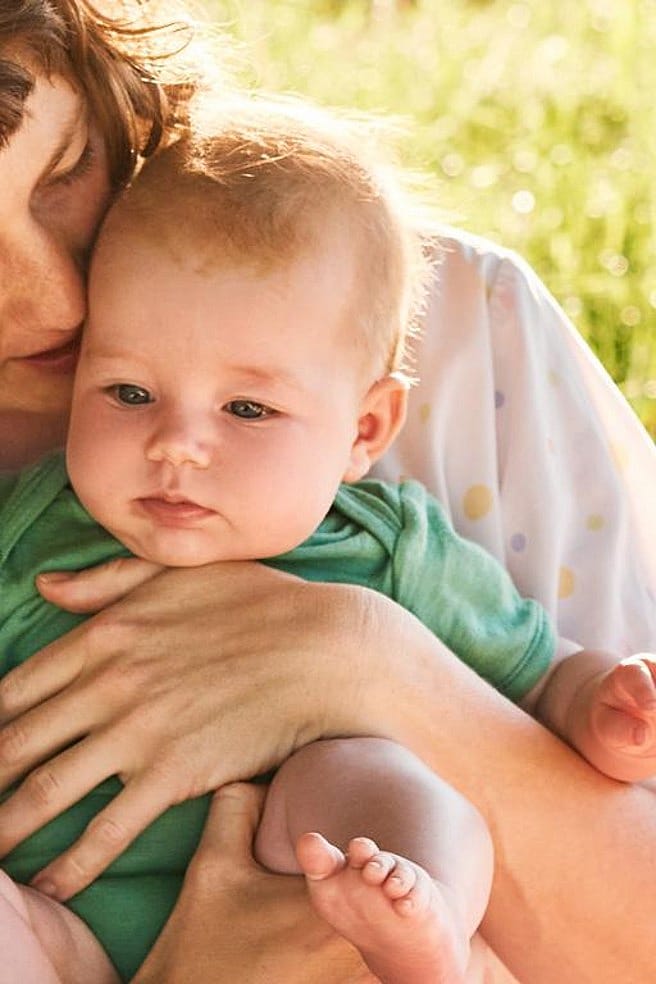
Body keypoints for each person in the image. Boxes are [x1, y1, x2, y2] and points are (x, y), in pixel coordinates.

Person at [1, 3, 656, 983]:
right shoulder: (33, 529)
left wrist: (354, 657)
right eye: (129, 393)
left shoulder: (447, 368)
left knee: (367, 788)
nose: (53, 296)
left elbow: (536, 665)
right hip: (70, 927)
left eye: (64, 176)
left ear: (364, 429)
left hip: (325, 873)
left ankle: (420, 939)